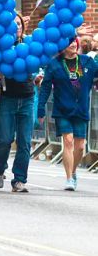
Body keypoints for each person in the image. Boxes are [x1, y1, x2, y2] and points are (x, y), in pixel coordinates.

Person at [38, 38, 98, 191]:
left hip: (81, 110)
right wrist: (40, 108)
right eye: (68, 42)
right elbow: (45, 88)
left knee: (80, 147)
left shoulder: (87, 62)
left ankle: (74, 170)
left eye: (74, 42)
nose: (72, 44)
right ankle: (69, 178)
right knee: (69, 141)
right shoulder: (54, 65)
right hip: (63, 109)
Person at [0, 15, 36, 193]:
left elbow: (42, 58)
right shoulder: (2, 46)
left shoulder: (31, 44)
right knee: (5, 140)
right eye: (13, 24)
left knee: (24, 142)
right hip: (7, 98)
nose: (17, 26)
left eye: (19, 23)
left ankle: (19, 180)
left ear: (23, 27)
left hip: (27, 97)